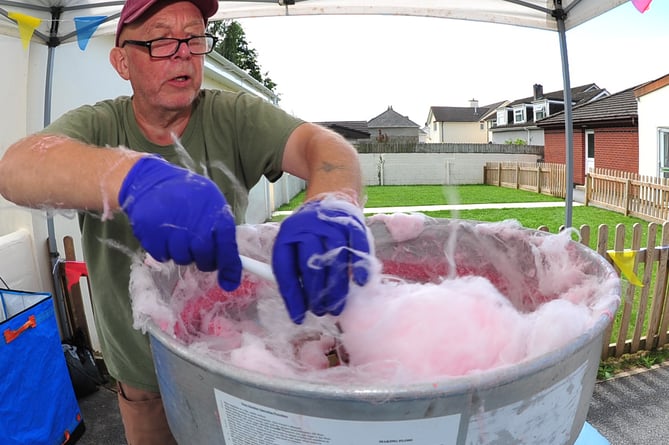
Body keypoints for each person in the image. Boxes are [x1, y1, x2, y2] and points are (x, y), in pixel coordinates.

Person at [0, 0, 371, 443]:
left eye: (194, 37)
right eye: (159, 39)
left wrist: (332, 202)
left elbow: (325, 146)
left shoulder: (234, 116)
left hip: (225, 358)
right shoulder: (100, 125)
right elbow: (18, 167)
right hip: (141, 366)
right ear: (121, 60)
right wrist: (133, 179)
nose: (182, 52)